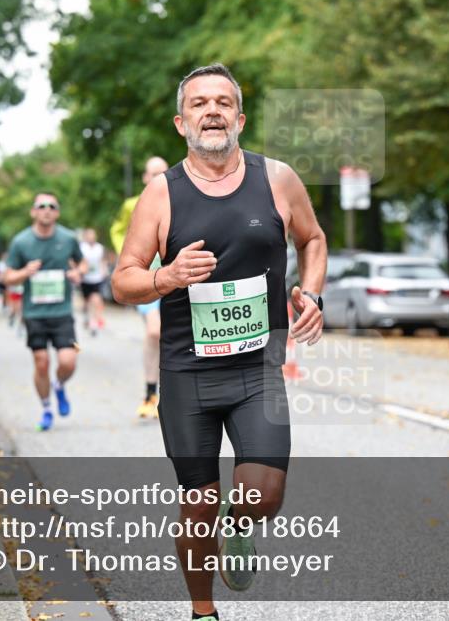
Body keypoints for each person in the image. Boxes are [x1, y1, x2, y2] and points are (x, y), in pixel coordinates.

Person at [112, 63, 327, 620]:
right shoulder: (162, 195)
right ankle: (202, 610)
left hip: (258, 368)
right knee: (198, 504)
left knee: (265, 495)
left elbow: (313, 239)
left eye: (223, 102)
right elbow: (123, 280)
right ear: (181, 122)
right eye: (200, 103)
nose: (213, 111)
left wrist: (312, 293)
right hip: (187, 376)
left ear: (240, 118)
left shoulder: (276, 179)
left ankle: (240, 525)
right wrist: (168, 276)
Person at [3, 193, 87, 432]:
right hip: (34, 313)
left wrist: (77, 273)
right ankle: (47, 407)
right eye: (42, 206)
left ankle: (59, 385)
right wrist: (24, 272)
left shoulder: (68, 238)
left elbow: (82, 264)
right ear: (33, 211)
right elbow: (8, 277)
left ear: (57, 213)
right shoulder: (21, 242)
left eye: (52, 206)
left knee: (68, 361)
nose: (47, 210)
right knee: (41, 363)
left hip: (62, 312)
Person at [111, 156, 171, 418]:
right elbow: (117, 230)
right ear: (145, 178)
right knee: (154, 332)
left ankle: (174, 393)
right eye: (153, 173)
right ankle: (150, 393)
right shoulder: (132, 204)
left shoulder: (180, 200)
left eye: (163, 172)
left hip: (177, 276)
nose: (158, 177)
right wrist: (127, 256)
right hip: (147, 278)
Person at [79, 228, 108, 337]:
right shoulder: (82, 248)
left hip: (97, 278)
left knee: (96, 299)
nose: (91, 237)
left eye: (93, 235)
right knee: (87, 301)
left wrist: (104, 271)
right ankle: (87, 316)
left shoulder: (99, 248)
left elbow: (102, 260)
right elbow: (78, 261)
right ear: (86, 236)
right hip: (85, 279)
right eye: (89, 235)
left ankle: (94, 323)